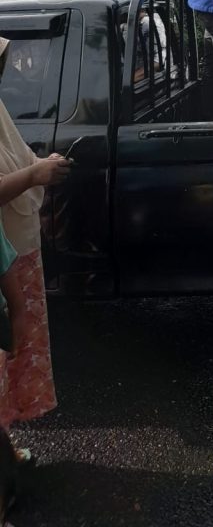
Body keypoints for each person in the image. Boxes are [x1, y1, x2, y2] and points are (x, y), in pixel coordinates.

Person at [0, 42, 71, 441]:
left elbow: (20, 157)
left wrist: (42, 165)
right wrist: (33, 176)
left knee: (16, 350)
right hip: (4, 258)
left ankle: (6, 444)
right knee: (6, 346)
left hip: (15, 250)